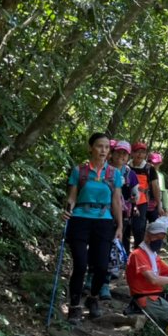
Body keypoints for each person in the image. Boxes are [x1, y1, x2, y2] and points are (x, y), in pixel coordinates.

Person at [63, 132, 123, 324]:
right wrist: (67, 208)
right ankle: (74, 306)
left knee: (102, 266)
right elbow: (72, 196)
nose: (103, 150)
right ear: (91, 148)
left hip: (104, 221)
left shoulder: (115, 174)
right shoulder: (79, 171)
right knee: (80, 265)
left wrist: (120, 225)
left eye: (106, 147)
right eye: (99, 146)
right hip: (80, 219)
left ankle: (93, 298)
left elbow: (116, 201)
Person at [129, 141, 162, 240]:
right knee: (126, 227)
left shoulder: (149, 169)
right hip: (126, 202)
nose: (140, 155)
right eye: (137, 152)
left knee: (138, 228)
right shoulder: (127, 167)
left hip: (141, 202)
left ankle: (138, 253)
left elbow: (155, 187)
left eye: (142, 152)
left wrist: (159, 205)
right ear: (132, 153)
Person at [150, 152, 168, 216]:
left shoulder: (161, 176)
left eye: (157, 163)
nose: (154, 164)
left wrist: (166, 209)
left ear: (160, 163)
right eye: (152, 162)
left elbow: (164, 192)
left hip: (156, 204)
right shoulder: (144, 171)